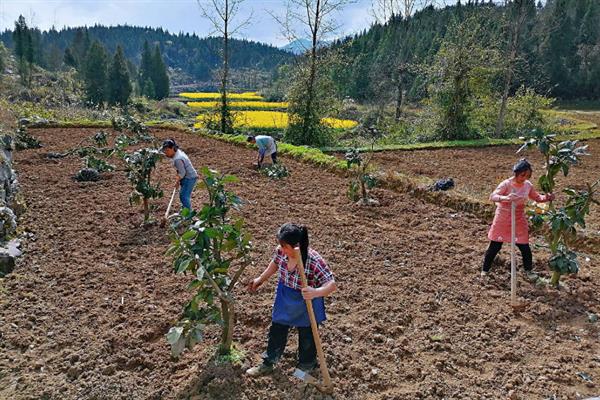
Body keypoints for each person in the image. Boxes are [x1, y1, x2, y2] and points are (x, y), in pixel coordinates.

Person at [246, 223, 337, 376]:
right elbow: (274, 264)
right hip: (285, 296)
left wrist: (315, 292)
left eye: (284, 246)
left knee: (307, 334)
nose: (281, 249)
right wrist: (261, 279)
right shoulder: (281, 252)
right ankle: (269, 362)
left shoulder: (313, 260)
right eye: (280, 245)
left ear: (296, 246)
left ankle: (305, 367)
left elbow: (331, 284)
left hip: (306, 300)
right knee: (277, 329)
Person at [481, 159, 555, 280]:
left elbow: (537, 197)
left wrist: (547, 197)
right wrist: (506, 198)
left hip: (519, 218)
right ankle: (485, 271)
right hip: (503, 218)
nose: (524, 178)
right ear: (516, 173)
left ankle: (528, 271)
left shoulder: (527, 185)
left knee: (524, 246)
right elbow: (493, 196)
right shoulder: (506, 184)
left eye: (527, 176)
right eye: (522, 175)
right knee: (495, 245)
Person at [161, 138, 198, 211]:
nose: (166, 153)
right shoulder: (178, 153)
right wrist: (179, 180)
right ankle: (184, 210)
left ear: (173, 148)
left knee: (184, 196)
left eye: (167, 150)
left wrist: (177, 180)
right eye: (165, 151)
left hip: (189, 178)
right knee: (183, 195)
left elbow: (182, 173)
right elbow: (181, 171)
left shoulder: (178, 159)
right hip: (187, 177)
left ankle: (188, 215)